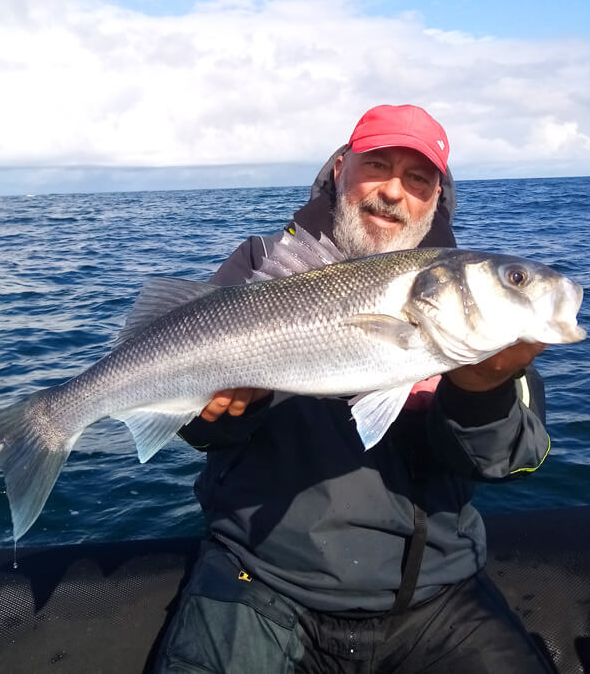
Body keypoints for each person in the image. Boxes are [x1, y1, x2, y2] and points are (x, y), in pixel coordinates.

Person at [154, 104, 554, 673]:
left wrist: (482, 390)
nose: (394, 191)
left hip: (434, 596)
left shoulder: (473, 297)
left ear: (436, 196)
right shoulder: (261, 265)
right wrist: (231, 410)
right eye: (378, 166)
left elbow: (507, 461)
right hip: (261, 580)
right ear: (342, 168)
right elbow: (198, 430)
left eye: (418, 178)